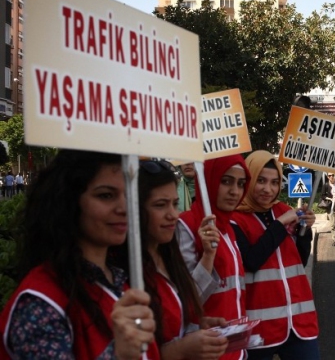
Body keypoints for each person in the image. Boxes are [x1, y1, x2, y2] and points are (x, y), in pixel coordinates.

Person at [0, 149, 159, 359]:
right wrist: (118, 355)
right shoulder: (40, 302)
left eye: (129, 194)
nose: (124, 207)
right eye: (106, 195)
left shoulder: (119, 278)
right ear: (68, 201)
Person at [113, 159, 229, 359]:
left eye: (175, 204)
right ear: (133, 208)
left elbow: (185, 305)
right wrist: (180, 350)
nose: (173, 215)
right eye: (160, 205)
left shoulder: (168, 256)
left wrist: (195, 326)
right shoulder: (120, 274)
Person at [231, 150, 320, 360]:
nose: (267, 189)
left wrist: (305, 231)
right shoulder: (234, 218)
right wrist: (280, 225)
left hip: (299, 323)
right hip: (257, 328)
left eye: (274, 182)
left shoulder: (284, 210)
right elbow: (251, 261)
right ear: (248, 179)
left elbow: (300, 259)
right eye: (260, 180)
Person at [177, 154, 251, 360]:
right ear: (208, 180)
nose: (235, 191)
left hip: (234, 348)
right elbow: (187, 301)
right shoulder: (186, 225)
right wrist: (208, 256)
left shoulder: (228, 226)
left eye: (241, 183)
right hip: (204, 351)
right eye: (225, 181)